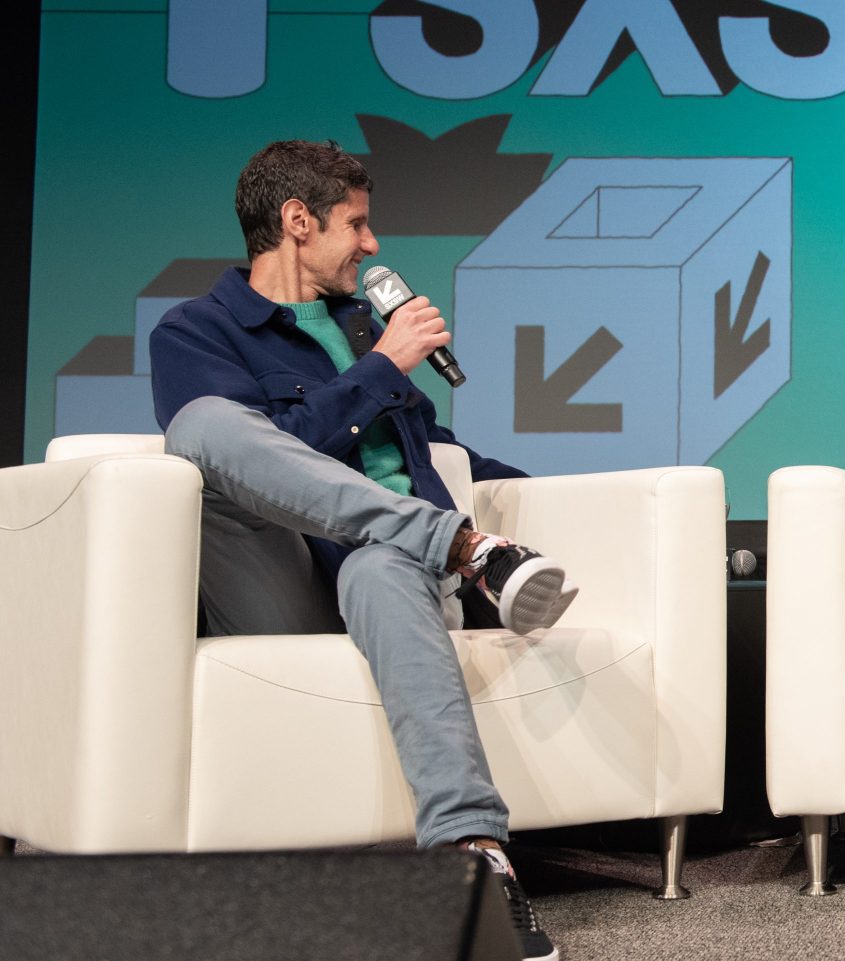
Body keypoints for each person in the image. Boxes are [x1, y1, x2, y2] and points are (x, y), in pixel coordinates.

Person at [150, 140, 568, 961]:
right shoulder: (195, 333)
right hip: (283, 577)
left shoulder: (362, 324)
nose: (374, 246)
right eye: (358, 224)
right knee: (203, 427)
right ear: (297, 222)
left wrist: (572, 506)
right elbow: (273, 460)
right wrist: (380, 367)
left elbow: (438, 451)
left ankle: (475, 859)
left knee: (382, 560)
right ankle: (460, 545)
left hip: (393, 579)